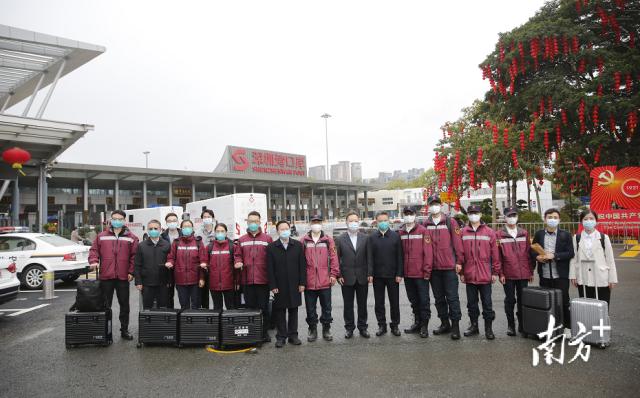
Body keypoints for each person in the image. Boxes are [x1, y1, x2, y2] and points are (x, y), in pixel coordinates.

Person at [88, 210, 139, 340]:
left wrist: (131, 272)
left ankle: (124, 330)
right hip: (106, 276)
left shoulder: (131, 237)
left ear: (124, 221)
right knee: (105, 305)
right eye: (114, 218)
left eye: (120, 219)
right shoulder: (102, 236)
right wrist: (93, 261)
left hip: (123, 277)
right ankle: (105, 330)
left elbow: (134, 257)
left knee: (124, 305)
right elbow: (94, 251)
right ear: (110, 220)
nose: (117, 221)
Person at [423, 194, 463, 340]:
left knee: (452, 298)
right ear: (428, 206)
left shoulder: (450, 222)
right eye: (431, 204)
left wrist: (459, 262)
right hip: (433, 269)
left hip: (449, 267)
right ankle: (444, 323)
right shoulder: (425, 225)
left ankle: (455, 326)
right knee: (439, 298)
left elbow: (458, 244)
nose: (434, 206)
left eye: (436, 203)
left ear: (441, 205)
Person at [458, 205, 501, 340]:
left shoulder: (489, 232)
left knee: (487, 304)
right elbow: (460, 254)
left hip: (485, 274)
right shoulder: (463, 232)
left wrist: (495, 272)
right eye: (471, 213)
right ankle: (474, 326)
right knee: (472, 304)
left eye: (476, 213)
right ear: (468, 215)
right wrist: (462, 273)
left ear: (480, 214)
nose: (473, 215)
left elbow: (495, 254)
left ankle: (488, 329)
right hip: (470, 274)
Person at [531, 208, 574, 328]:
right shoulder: (539, 234)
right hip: (544, 274)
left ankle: (567, 327)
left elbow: (570, 253)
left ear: (559, 220)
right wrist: (537, 257)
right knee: (546, 301)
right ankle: (549, 327)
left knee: (563, 301)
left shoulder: (565, 235)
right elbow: (532, 250)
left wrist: (555, 256)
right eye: (550, 217)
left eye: (555, 217)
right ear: (545, 219)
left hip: (561, 275)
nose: (552, 220)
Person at [234, 211, 273, 342]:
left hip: (263, 279)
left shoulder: (267, 239)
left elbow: (272, 259)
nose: (253, 224)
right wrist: (237, 261)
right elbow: (237, 255)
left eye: (256, 221)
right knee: (250, 308)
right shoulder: (242, 239)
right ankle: (251, 331)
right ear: (247, 222)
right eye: (251, 221)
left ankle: (264, 332)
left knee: (264, 307)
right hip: (247, 280)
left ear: (260, 222)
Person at [267, 220, 306, 348]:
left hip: (295, 283)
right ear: (277, 231)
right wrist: (272, 285)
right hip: (279, 284)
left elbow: (302, 266)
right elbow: (270, 269)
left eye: (286, 229)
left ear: (290, 230)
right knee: (280, 311)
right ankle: (281, 336)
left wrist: (302, 283)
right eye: (281, 229)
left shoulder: (298, 245)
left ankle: (293, 335)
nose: (284, 231)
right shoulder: (272, 247)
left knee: (293, 310)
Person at [497, 207, 534, 336]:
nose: (512, 218)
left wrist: (531, 271)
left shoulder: (524, 233)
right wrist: (500, 273)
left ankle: (523, 326)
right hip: (508, 273)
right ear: (505, 218)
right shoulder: (499, 234)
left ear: (517, 217)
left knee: (523, 300)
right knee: (510, 300)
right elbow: (498, 256)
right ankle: (511, 325)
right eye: (509, 215)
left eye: (514, 215)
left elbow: (529, 253)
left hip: (523, 273)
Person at [301, 215, 339, 342]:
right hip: (309, 282)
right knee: (310, 308)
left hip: (325, 281)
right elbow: (300, 262)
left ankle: (326, 328)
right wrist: (301, 280)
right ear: (310, 223)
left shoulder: (328, 240)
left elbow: (334, 259)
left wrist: (333, 274)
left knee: (327, 307)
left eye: (318, 222)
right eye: (314, 222)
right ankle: (312, 329)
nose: (316, 224)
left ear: (322, 224)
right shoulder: (304, 241)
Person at [569, 210, 617, 307]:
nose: (588, 221)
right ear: (581, 222)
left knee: (602, 307)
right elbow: (574, 258)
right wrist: (573, 275)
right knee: (587, 308)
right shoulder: (576, 238)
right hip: (583, 277)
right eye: (585, 219)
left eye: (591, 219)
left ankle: (601, 323)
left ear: (596, 221)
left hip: (601, 277)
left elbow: (610, 259)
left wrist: (612, 278)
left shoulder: (604, 238)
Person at [367, 211, 403, 337]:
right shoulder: (372, 238)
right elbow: (369, 257)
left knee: (394, 302)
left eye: (385, 220)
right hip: (377, 276)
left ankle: (395, 325)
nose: (383, 222)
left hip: (393, 276)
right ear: (376, 222)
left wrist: (399, 273)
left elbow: (400, 257)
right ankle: (381, 325)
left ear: (389, 221)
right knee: (379, 302)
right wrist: (370, 273)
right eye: (380, 220)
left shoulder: (395, 236)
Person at [336, 211, 371, 339]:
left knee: (362, 304)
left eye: (355, 221)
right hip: (346, 277)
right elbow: (336, 258)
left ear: (359, 221)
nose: (353, 223)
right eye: (351, 221)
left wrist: (369, 273)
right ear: (346, 222)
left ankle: (363, 327)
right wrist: (338, 275)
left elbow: (369, 258)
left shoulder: (365, 238)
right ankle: (349, 328)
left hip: (362, 276)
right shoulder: (340, 239)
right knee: (348, 305)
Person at [398, 206, 433, 338]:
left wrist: (427, 270)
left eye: (410, 213)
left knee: (424, 300)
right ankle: (417, 323)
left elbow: (428, 253)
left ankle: (424, 326)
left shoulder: (423, 231)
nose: (408, 216)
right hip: (408, 274)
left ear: (415, 214)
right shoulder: (400, 232)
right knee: (413, 301)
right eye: (406, 213)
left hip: (421, 273)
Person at [165, 220, 207, 309]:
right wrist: (170, 262)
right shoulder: (176, 242)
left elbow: (203, 261)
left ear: (192, 228)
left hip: (195, 280)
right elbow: (171, 257)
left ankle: (195, 322)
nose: (187, 228)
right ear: (181, 228)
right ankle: (185, 323)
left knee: (196, 306)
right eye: (184, 227)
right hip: (180, 280)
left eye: (189, 226)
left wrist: (202, 278)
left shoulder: (198, 242)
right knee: (184, 306)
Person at [134, 219, 172, 309]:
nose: (153, 230)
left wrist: (169, 281)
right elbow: (137, 265)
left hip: (162, 283)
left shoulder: (167, 245)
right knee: (147, 307)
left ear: (160, 230)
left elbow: (171, 262)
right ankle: (147, 323)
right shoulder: (141, 245)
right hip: (147, 283)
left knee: (162, 307)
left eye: (155, 228)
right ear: (147, 230)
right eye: (150, 229)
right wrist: (138, 281)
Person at [207, 223, 236, 310]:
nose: (220, 233)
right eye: (218, 231)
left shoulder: (232, 246)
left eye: (222, 231)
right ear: (215, 233)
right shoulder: (209, 247)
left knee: (230, 307)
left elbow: (236, 265)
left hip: (229, 284)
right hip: (214, 284)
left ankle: (229, 324)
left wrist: (237, 281)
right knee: (217, 308)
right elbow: (205, 263)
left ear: (226, 232)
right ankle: (219, 324)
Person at [196, 209, 216, 309]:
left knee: (215, 291)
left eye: (209, 216)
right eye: (204, 217)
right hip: (202, 265)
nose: (207, 218)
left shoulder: (218, 230)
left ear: (213, 218)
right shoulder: (198, 233)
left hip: (214, 265)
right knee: (203, 291)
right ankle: (205, 311)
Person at [160, 212, 181, 309]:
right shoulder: (162, 236)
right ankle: (171, 314)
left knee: (183, 293)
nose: (172, 222)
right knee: (168, 294)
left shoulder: (183, 233)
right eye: (169, 221)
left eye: (174, 220)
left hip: (181, 267)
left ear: (177, 221)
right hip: (168, 269)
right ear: (166, 223)